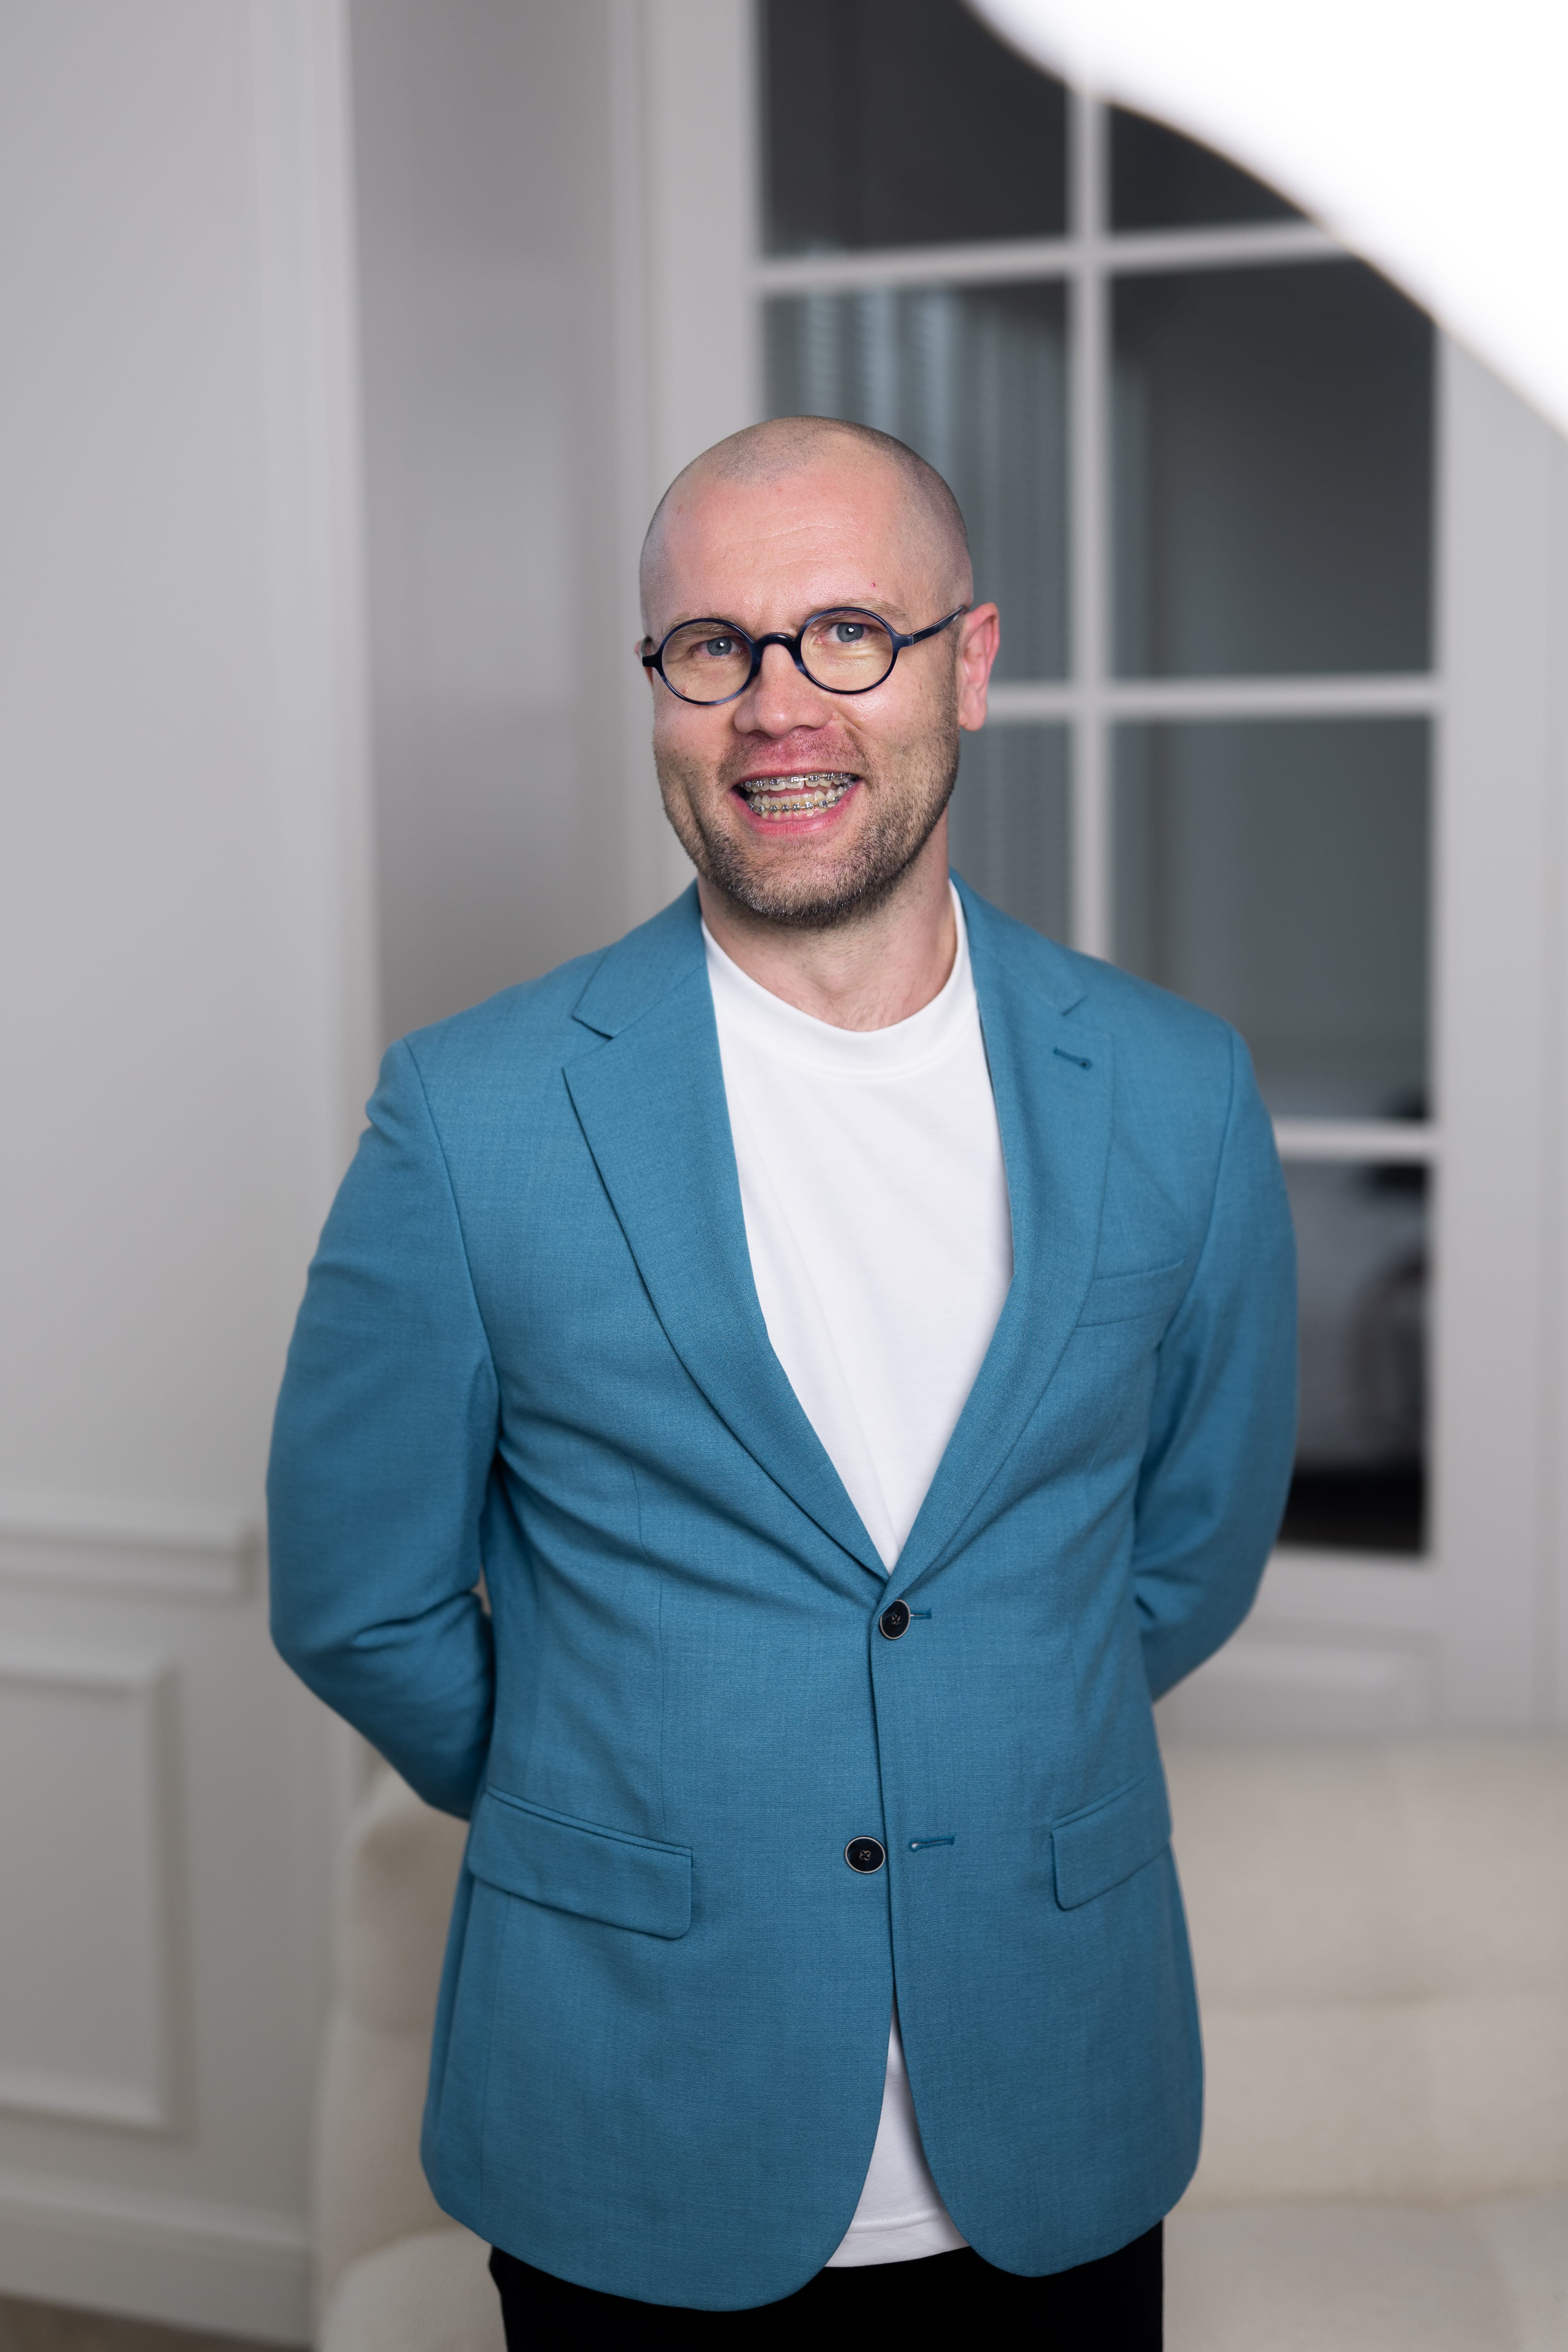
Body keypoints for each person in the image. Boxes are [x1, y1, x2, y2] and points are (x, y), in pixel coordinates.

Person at [268, 417, 1296, 2346]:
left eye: (845, 634)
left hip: (1061, 2107)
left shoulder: (1177, 1088)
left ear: (968, 666)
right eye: (709, 647)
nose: (775, 708)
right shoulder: (469, 1115)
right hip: (626, 2118)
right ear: (656, 686)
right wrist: (604, 1779)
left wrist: (970, 1728)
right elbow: (355, 1598)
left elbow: (1191, 1548)